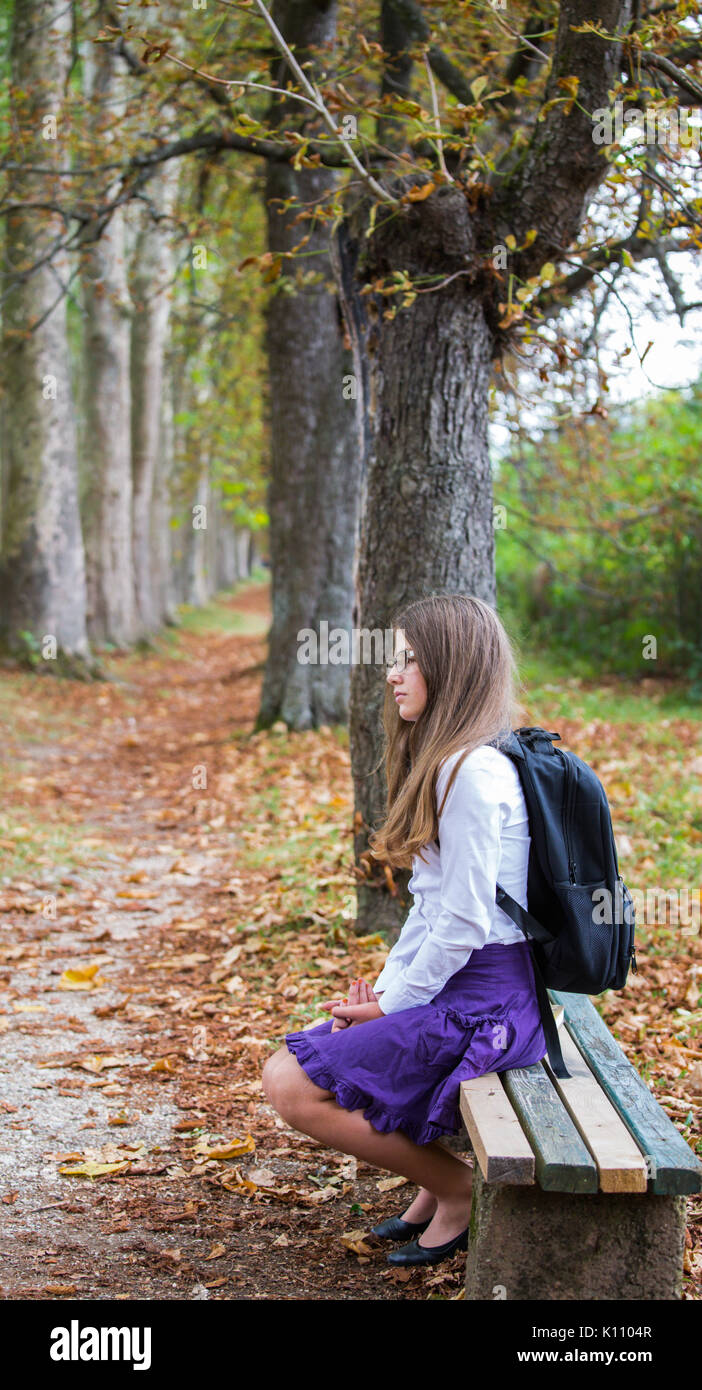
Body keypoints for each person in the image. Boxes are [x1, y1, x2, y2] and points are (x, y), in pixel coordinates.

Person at [261, 594, 548, 1267]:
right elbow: (429, 906)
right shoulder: (454, 759)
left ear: (451, 668)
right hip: (473, 990)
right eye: (395, 660)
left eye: (410, 661)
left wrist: (394, 1005)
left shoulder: (470, 773)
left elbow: (464, 922)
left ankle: (455, 1188)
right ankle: (434, 1185)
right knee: (307, 1060)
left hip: (486, 1005)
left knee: (292, 1085)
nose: (393, 675)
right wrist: (387, 992)